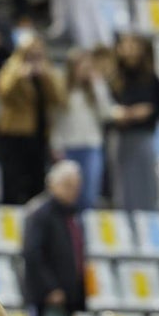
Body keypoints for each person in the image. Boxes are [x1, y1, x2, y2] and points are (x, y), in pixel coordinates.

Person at [0, 37, 67, 206]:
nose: (35, 57)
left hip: (39, 136)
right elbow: (3, 91)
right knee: (12, 181)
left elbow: (60, 98)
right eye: (31, 54)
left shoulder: (46, 72)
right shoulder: (12, 68)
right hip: (14, 135)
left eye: (38, 54)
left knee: (37, 182)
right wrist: (20, 75)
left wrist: (46, 76)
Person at [22, 161, 87, 316]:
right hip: (46, 298)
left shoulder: (72, 214)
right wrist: (50, 288)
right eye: (68, 185)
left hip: (69, 298)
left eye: (76, 186)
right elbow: (32, 253)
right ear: (53, 184)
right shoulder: (40, 213)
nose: (73, 191)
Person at [107, 34, 159, 211]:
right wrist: (123, 114)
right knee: (123, 185)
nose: (131, 49)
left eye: (134, 44)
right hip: (121, 137)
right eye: (127, 44)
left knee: (146, 182)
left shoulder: (150, 77)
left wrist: (148, 111)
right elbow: (105, 106)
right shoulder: (114, 78)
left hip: (144, 136)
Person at [52, 48, 111, 210]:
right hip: (69, 146)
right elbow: (55, 121)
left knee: (89, 193)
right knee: (67, 193)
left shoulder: (94, 90)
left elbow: (107, 113)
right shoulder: (63, 91)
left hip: (91, 145)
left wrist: (98, 84)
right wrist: (56, 145)